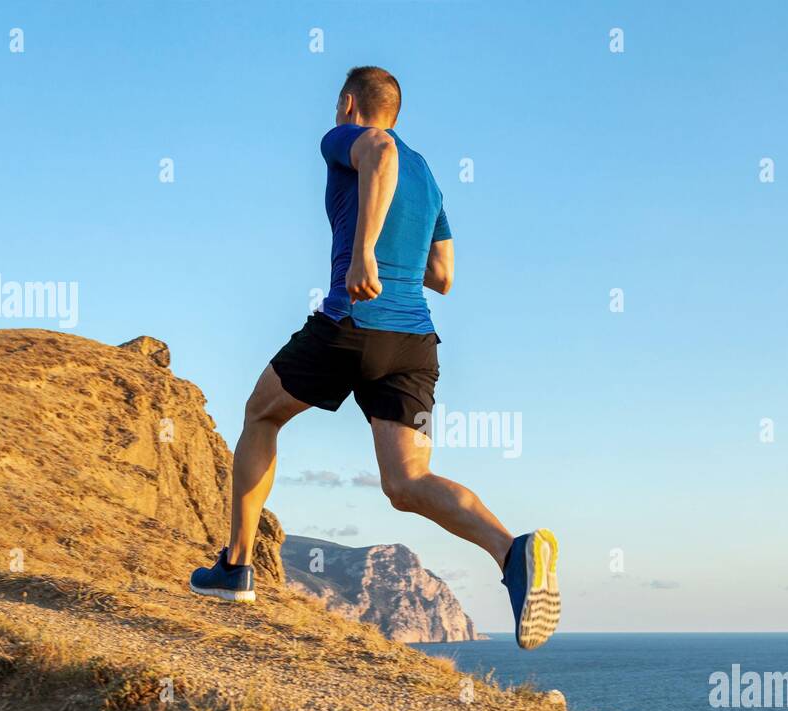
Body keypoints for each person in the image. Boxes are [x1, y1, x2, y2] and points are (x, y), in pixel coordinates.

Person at [190, 67, 559, 650]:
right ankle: (513, 552)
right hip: (414, 344)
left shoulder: (345, 138)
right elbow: (444, 275)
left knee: (262, 413)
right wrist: (399, 254)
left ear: (347, 102)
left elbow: (379, 149)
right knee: (407, 481)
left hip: (353, 321)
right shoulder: (430, 177)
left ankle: (234, 566)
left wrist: (363, 253)